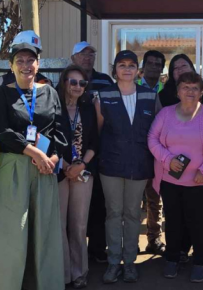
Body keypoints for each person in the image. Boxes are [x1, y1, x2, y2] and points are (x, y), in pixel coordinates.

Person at [0, 30, 65, 289]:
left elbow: (59, 128)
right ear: (11, 64)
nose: (26, 65)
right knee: (13, 233)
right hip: (13, 167)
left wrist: (54, 156)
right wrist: (34, 152)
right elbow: (1, 129)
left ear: (38, 63)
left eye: (30, 60)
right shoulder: (0, 90)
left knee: (45, 232)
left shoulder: (49, 92)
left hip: (45, 168)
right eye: (19, 60)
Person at [149, 72, 203, 283]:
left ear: (202, 91)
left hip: (199, 181)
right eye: (185, 87)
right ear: (177, 91)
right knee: (173, 221)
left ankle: (200, 261)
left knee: (198, 223)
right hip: (169, 180)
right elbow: (152, 138)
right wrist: (167, 159)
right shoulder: (165, 114)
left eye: (195, 88)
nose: (190, 92)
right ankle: (172, 258)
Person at [96, 50, 159, 284]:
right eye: (122, 64)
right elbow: (99, 131)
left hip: (139, 165)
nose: (127, 69)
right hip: (111, 165)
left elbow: (156, 130)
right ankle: (114, 262)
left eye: (131, 65)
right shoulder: (103, 95)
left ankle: (130, 262)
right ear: (115, 69)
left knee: (133, 213)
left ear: (138, 70)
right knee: (113, 213)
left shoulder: (149, 96)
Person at [70, 41, 114, 264]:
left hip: (100, 149)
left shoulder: (105, 80)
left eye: (91, 54)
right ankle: (74, 255)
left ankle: (97, 249)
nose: (87, 58)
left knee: (99, 202)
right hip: (72, 152)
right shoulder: (66, 80)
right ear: (73, 58)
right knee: (73, 208)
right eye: (82, 54)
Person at [56, 65, 99, 289]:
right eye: (73, 82)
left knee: (79, 225)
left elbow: (95, 142)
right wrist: (65, 166)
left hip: (83, 172)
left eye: (82, 83)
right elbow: (47, 139)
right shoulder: (53, 107)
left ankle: (79, 272)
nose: (77, 87)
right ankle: (62, 274)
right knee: (60, 224)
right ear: (64, 82)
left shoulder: (89, 108)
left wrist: (81, 164)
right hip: (59, 172)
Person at [137, 49, 167, 255]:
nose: (154, 67)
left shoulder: (167, 91)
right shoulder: (132, 88)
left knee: (155, 200)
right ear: (143, 66)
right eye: (150, 63)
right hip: (135, 152)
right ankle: (128, 243)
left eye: (158, 64)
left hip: (159, 154)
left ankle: (153, 239)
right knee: (130, 204)